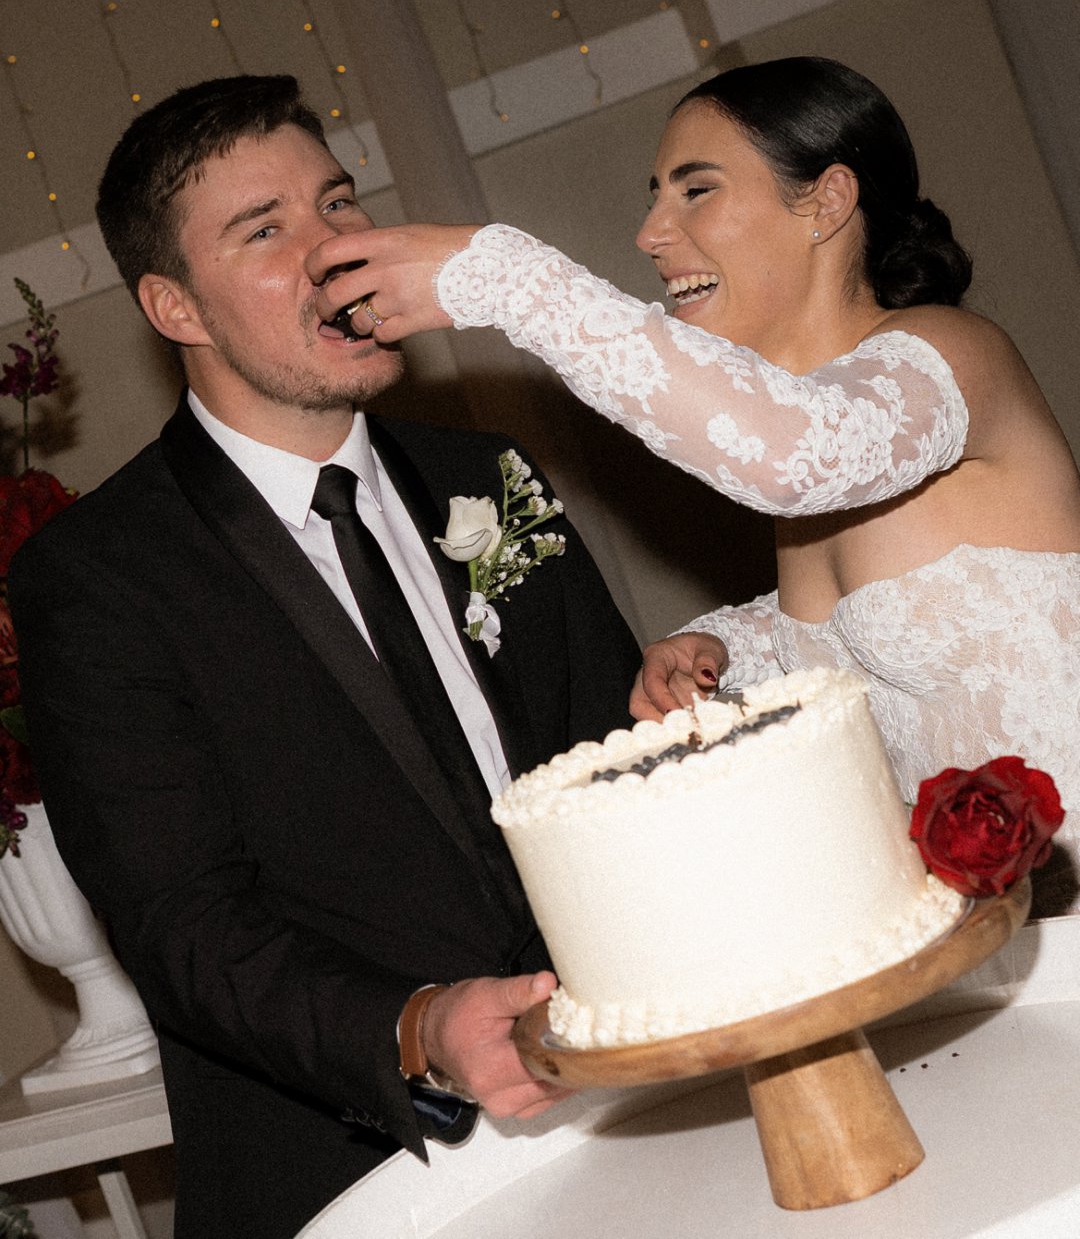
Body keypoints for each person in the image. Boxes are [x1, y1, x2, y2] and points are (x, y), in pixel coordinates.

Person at [8, 75, 641, 1239]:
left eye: (338, 203)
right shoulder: (98, 576)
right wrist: (417, 1026)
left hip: (636, 1099)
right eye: (266, 228)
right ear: (175, 304)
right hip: (355, 1169)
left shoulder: (488, 474)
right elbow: (182, 923)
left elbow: (619, 756)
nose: (333, 248)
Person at [307, 55, 1080, 887]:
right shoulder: (814, 419)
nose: (650, 234)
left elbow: (791, 459)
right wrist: (727, 646)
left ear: (826, 201)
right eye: (655, 196)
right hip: (993, 915)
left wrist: (510, 280)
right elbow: (890, 615)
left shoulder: (952, 354)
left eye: (696, 190)